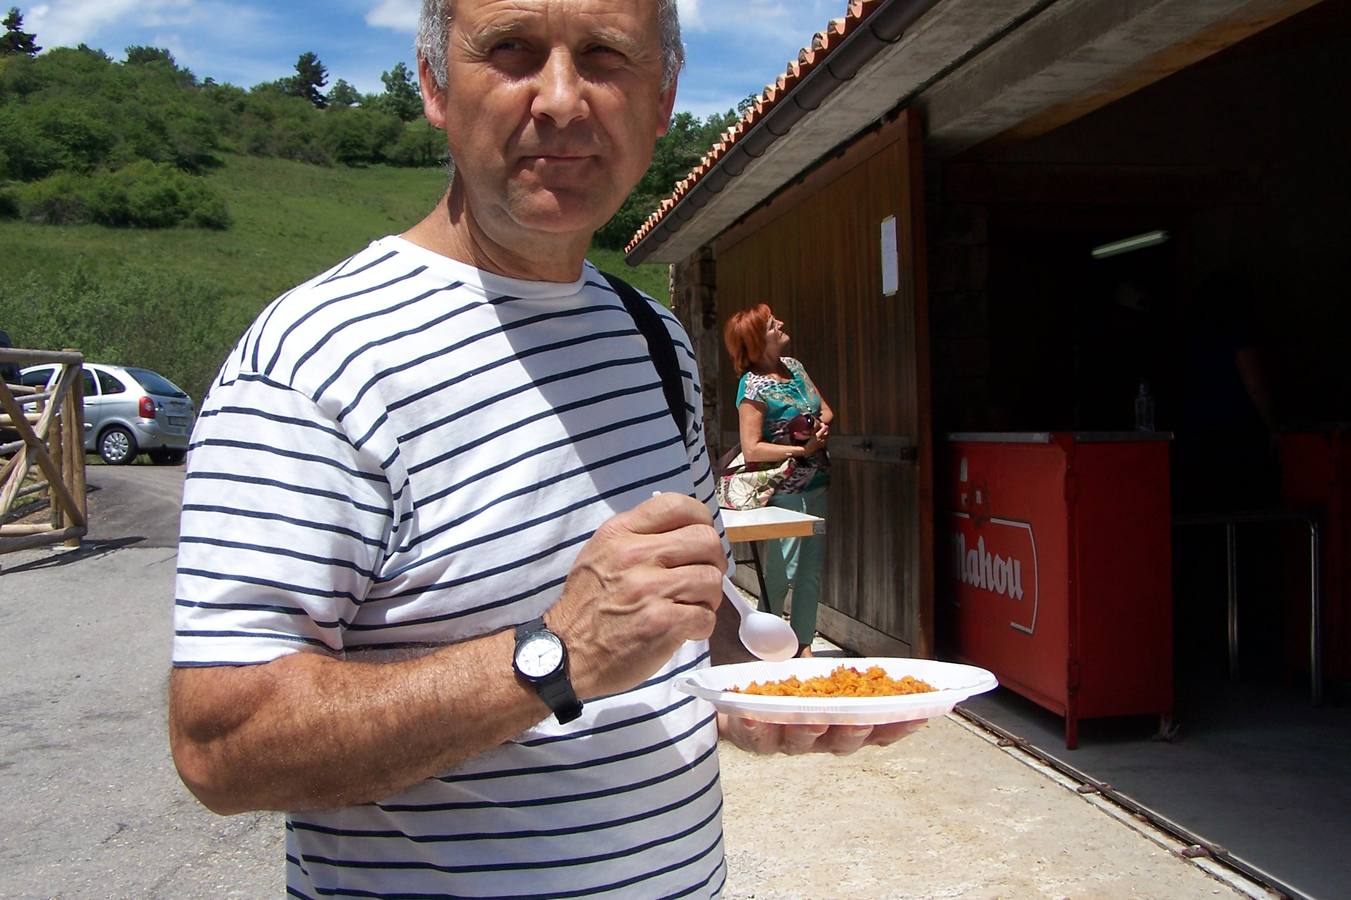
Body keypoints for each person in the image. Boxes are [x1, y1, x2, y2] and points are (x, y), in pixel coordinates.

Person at [167, 2, 921, 897]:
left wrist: (753, 694)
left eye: (605, 55)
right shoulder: (317, 360)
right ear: (435, 85)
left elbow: (685, 606)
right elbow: (221, 749)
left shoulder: (652, 337)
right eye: (511, 51)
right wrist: (553, 657)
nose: (561, 99)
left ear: (664, 97)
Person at [723, 304, 833, 656]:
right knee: (783, 569)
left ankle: (802, 643)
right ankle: (767, 645)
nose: (781, 324)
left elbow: (825, 408)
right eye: (772, 325)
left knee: (811, 568)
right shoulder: (752, 387)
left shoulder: (795, 368)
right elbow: (752, 449)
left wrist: (821, 425)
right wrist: (801, 450)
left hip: (817, 479)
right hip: (783, 487)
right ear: (757, 341)